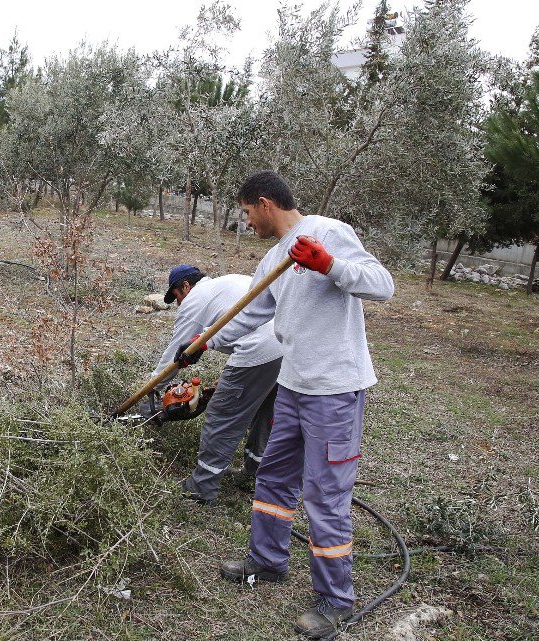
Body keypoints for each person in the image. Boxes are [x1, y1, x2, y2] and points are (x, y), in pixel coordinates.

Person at [175, 170, 394, 638]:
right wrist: (204, 343)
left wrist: (329, 264)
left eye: (247, 212)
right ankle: (267, 560)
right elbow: (251, 312)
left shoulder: (327, 231)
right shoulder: (275, 257)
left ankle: (336, 600)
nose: (247, 222)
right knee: (274, 476)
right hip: (293, 386)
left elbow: (381, 284)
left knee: (324, 495)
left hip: (333, 389)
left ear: (264, 203)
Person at [151, 264, 283, 504]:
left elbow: (176, 354)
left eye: (177, 297)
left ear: (186, 286)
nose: (179, 304)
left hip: (258, 349)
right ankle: (254, 475)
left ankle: (201, 489)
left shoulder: (195, 300)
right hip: (286, 346)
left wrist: (152, 388)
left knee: (222, 417)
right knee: (264, 413)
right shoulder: (227, 282)